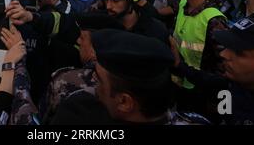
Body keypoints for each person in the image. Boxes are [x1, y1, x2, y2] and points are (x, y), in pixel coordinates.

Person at [51, 30, 210, 125]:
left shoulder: (79, 114)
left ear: (124, 102)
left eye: (99, 79)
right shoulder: (195, 121)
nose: (93, 83)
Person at [172, 18, 254, 125]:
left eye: (238, 52)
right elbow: (213, 84)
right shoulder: (237, 84)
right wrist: (179, 66)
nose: (224, 54)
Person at [173, 0, 228, 86]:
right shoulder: (182, 4)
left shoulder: (214, 20)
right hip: (179, 79)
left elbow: (222, 65)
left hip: (200, 86)